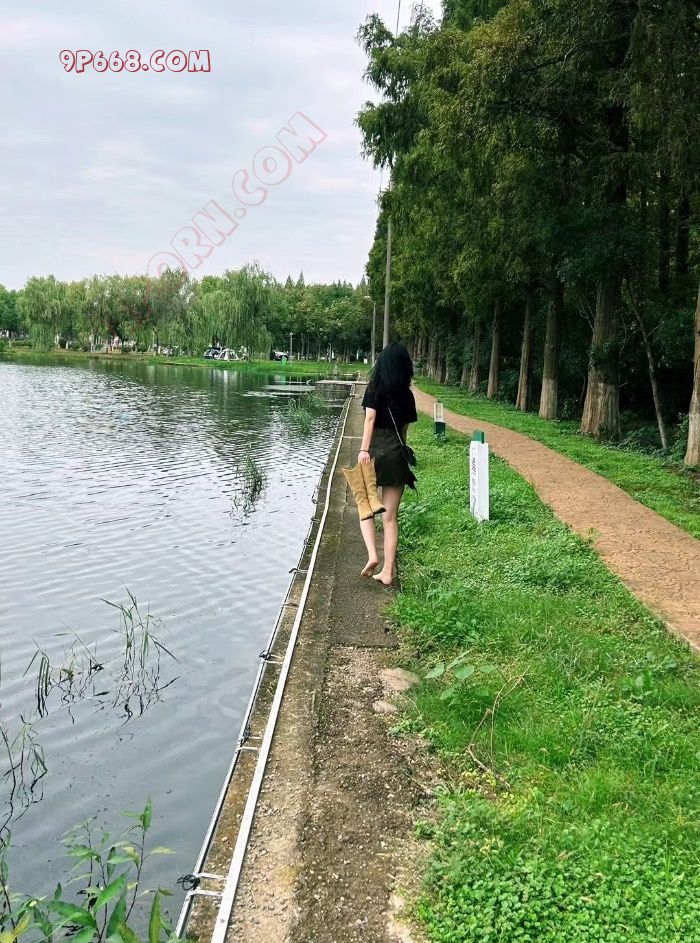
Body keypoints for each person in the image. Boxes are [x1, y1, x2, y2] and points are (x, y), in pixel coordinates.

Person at [358, 342, 417, 586]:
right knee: (390, 517)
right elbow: (404, 431)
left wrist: (364, 450)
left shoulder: (375, 387)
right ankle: (387, 572)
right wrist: (399, 451)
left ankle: (373, 554)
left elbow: (370, 419)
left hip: (373, 453)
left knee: (366, 508)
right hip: (396, 454)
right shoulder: (407, 395)